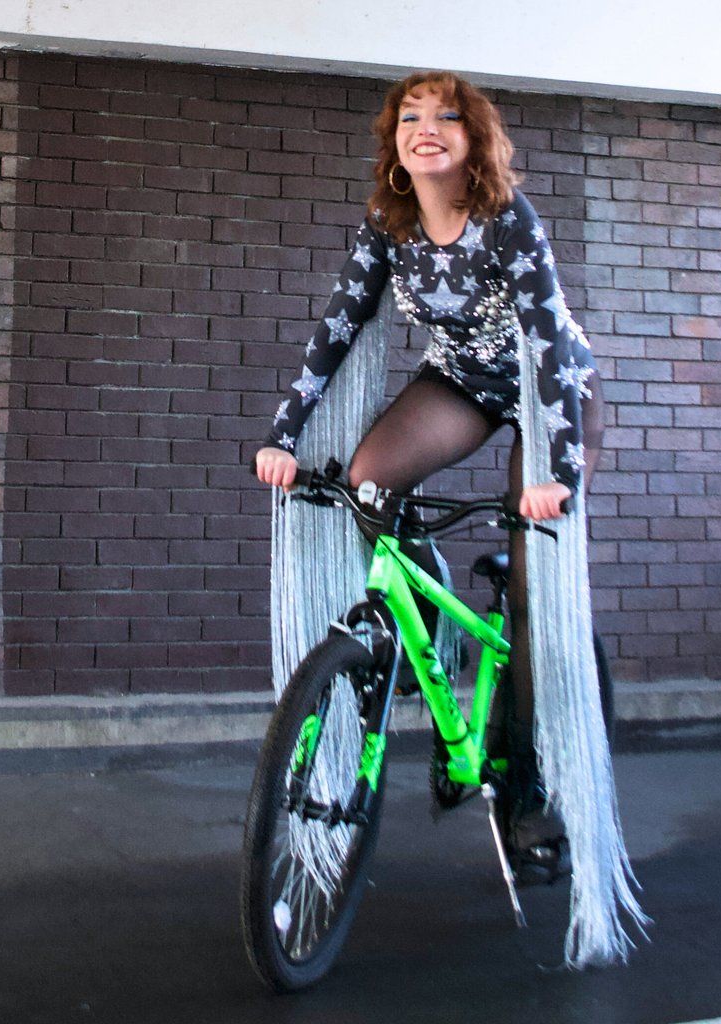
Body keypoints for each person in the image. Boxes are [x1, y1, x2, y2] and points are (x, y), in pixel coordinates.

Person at [254, 70, 605, 886]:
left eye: (447, 115)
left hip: (551, 389)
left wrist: (557, 475)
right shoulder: (391, 223)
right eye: (411, 116)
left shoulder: (507, 221)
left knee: (532, 584)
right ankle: (433, 617)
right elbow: (337, 328)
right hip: (463, 383)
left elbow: (549, 344)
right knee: (369, 480)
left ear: (473, 138)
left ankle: (528, 786)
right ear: (395, 143)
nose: (427, 127)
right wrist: (284, 435)